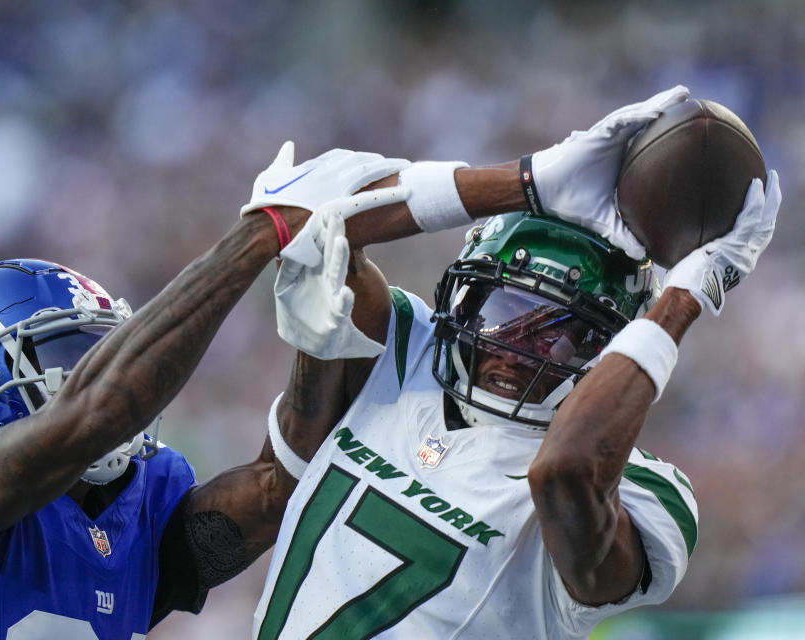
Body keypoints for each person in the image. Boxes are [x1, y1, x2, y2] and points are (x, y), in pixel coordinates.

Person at [245, 86, 782, 638]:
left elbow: (564, 471)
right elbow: (304, 221)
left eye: (561, 332)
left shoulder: (644, 490)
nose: (516, 346)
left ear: (612, 350)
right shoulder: (402, 350)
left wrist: (684, 298)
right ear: (464, 300)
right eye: (504, 309)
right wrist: (526, 181)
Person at [0, 150, 411, 639]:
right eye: (67, 361)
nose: (97, 375)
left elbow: (279, 489)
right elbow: (86, 422)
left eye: (99, 354)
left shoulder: (128, 518)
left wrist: (323, 312)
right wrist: (262, 235)